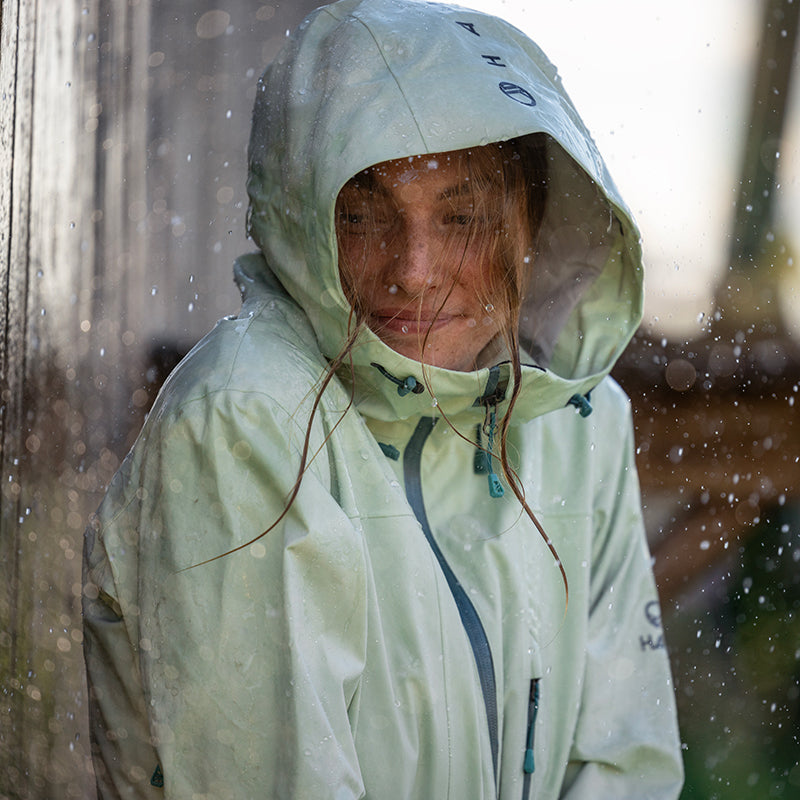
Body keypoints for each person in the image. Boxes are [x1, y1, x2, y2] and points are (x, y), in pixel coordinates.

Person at [82, 0, 685, 797]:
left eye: (462, 216)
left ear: (531, 218)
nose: (413, 268)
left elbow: (626, 763)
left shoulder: (581, 423)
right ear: (303, 219)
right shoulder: (243, 419)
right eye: (364, 212)